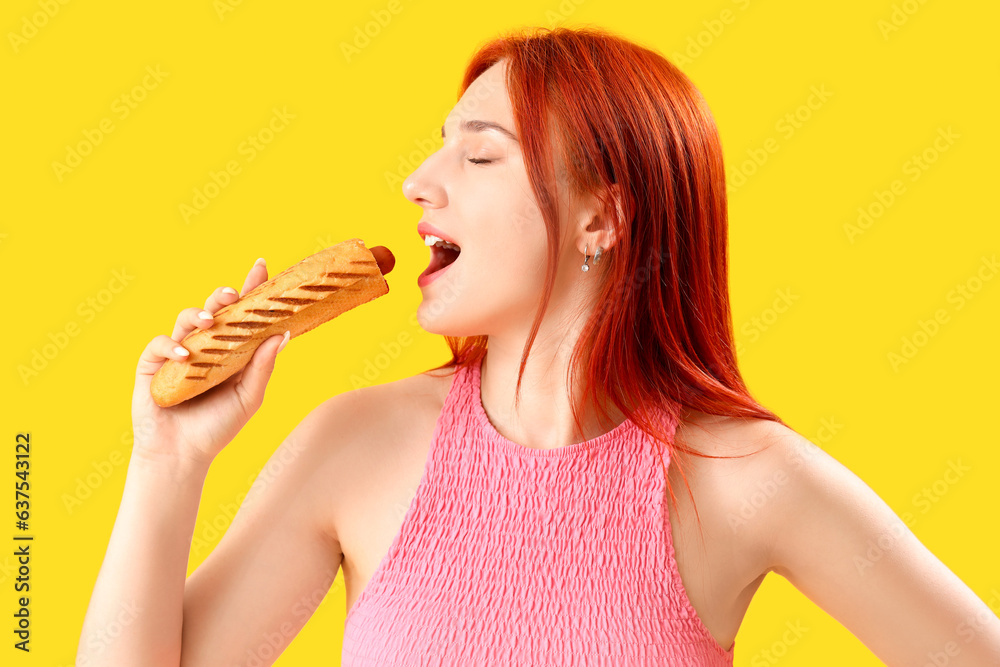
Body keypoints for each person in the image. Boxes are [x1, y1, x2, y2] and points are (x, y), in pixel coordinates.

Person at [77, 26, 1000, 666]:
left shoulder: (743, 476)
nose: (418, 182)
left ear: (602, 214)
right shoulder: (353, 446)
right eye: (437, 148)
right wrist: (168, 463)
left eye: (479, 156)